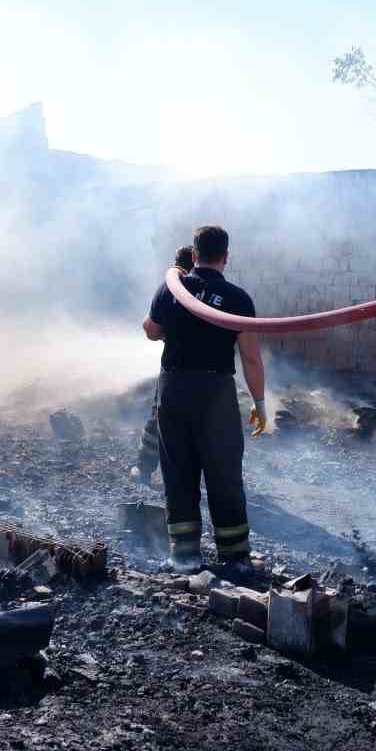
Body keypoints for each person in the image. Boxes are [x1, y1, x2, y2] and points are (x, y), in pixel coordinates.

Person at [142, 226, 267, 573]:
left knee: (178, 469)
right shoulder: (238, 299)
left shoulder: (171, 290)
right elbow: (251, 358)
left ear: (193, 255)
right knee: (224, 471)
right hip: (216, 393)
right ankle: (235, 557)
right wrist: (260, 403)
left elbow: (150, 331)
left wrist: (177, 326)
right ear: (226, 257)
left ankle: (184, 556)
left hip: (174, 388)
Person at [130, 246, 198, 484]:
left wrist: (166, 334)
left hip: (175, 370)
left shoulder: (169, 289)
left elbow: (150, 329)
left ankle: (144, 469)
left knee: (159, 419)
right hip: (213, 372)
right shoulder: (216, 290)